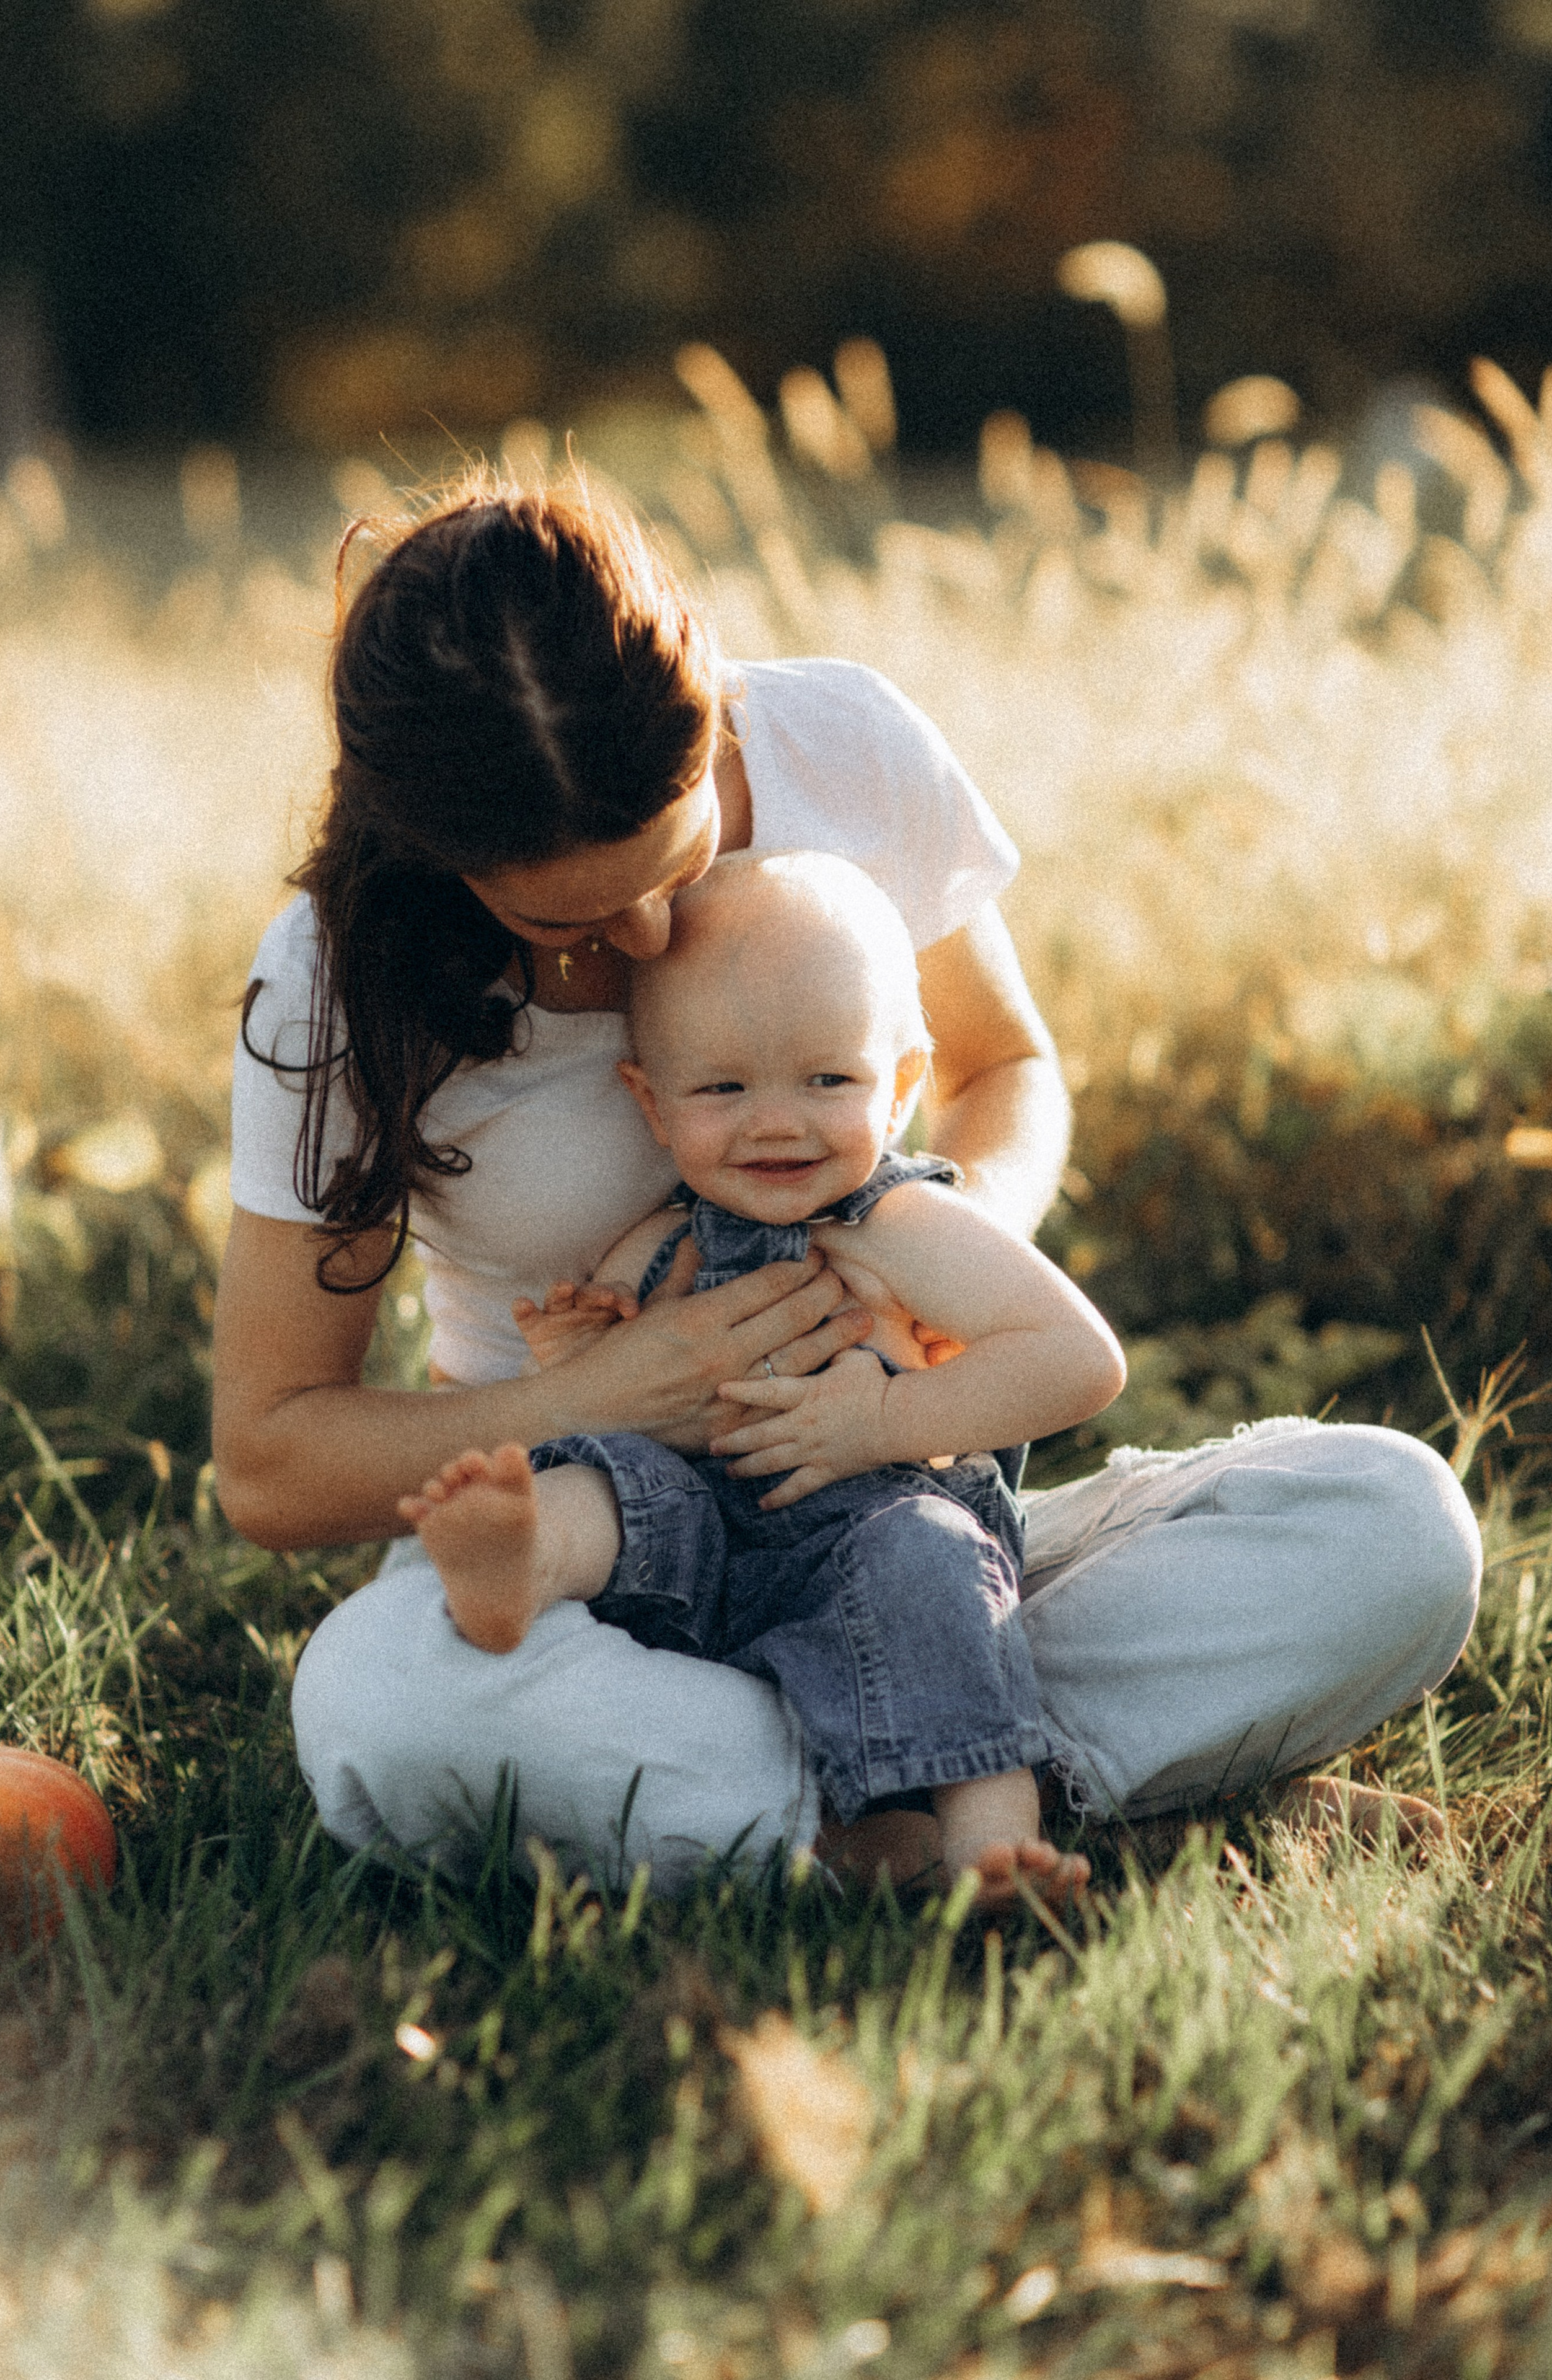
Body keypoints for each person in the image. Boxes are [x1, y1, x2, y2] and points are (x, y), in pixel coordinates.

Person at [213, 472, 1483, 1893]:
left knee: (1389, 1525)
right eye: (560, 915)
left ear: (708, 705)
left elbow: (1005, 1067)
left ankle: (841, 1817)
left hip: (895, 1527)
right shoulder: (335, 981)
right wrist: (597, 1396)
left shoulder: (840, 745)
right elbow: (272, 1454)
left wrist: (924, 1266)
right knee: (382, 1708)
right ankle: (999, 1802)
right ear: (438, 858)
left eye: (678, 856)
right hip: (596, 1560)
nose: (641, 937)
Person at [397, 850, 1128, 1906]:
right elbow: (607, 1395)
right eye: (723, 1088)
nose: (776, 1122)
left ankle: (991, 1850)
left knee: (938, 1570)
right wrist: (575, 1358)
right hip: (698, 1537)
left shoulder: (902, 1226)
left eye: (828, 1081)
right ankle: (520, 1561)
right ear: (651, 1105)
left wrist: (886, 1416)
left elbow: (1079, 1360)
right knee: (609, 1479)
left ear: (903, 1084)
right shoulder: (658, 1241)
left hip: (863, 1541)